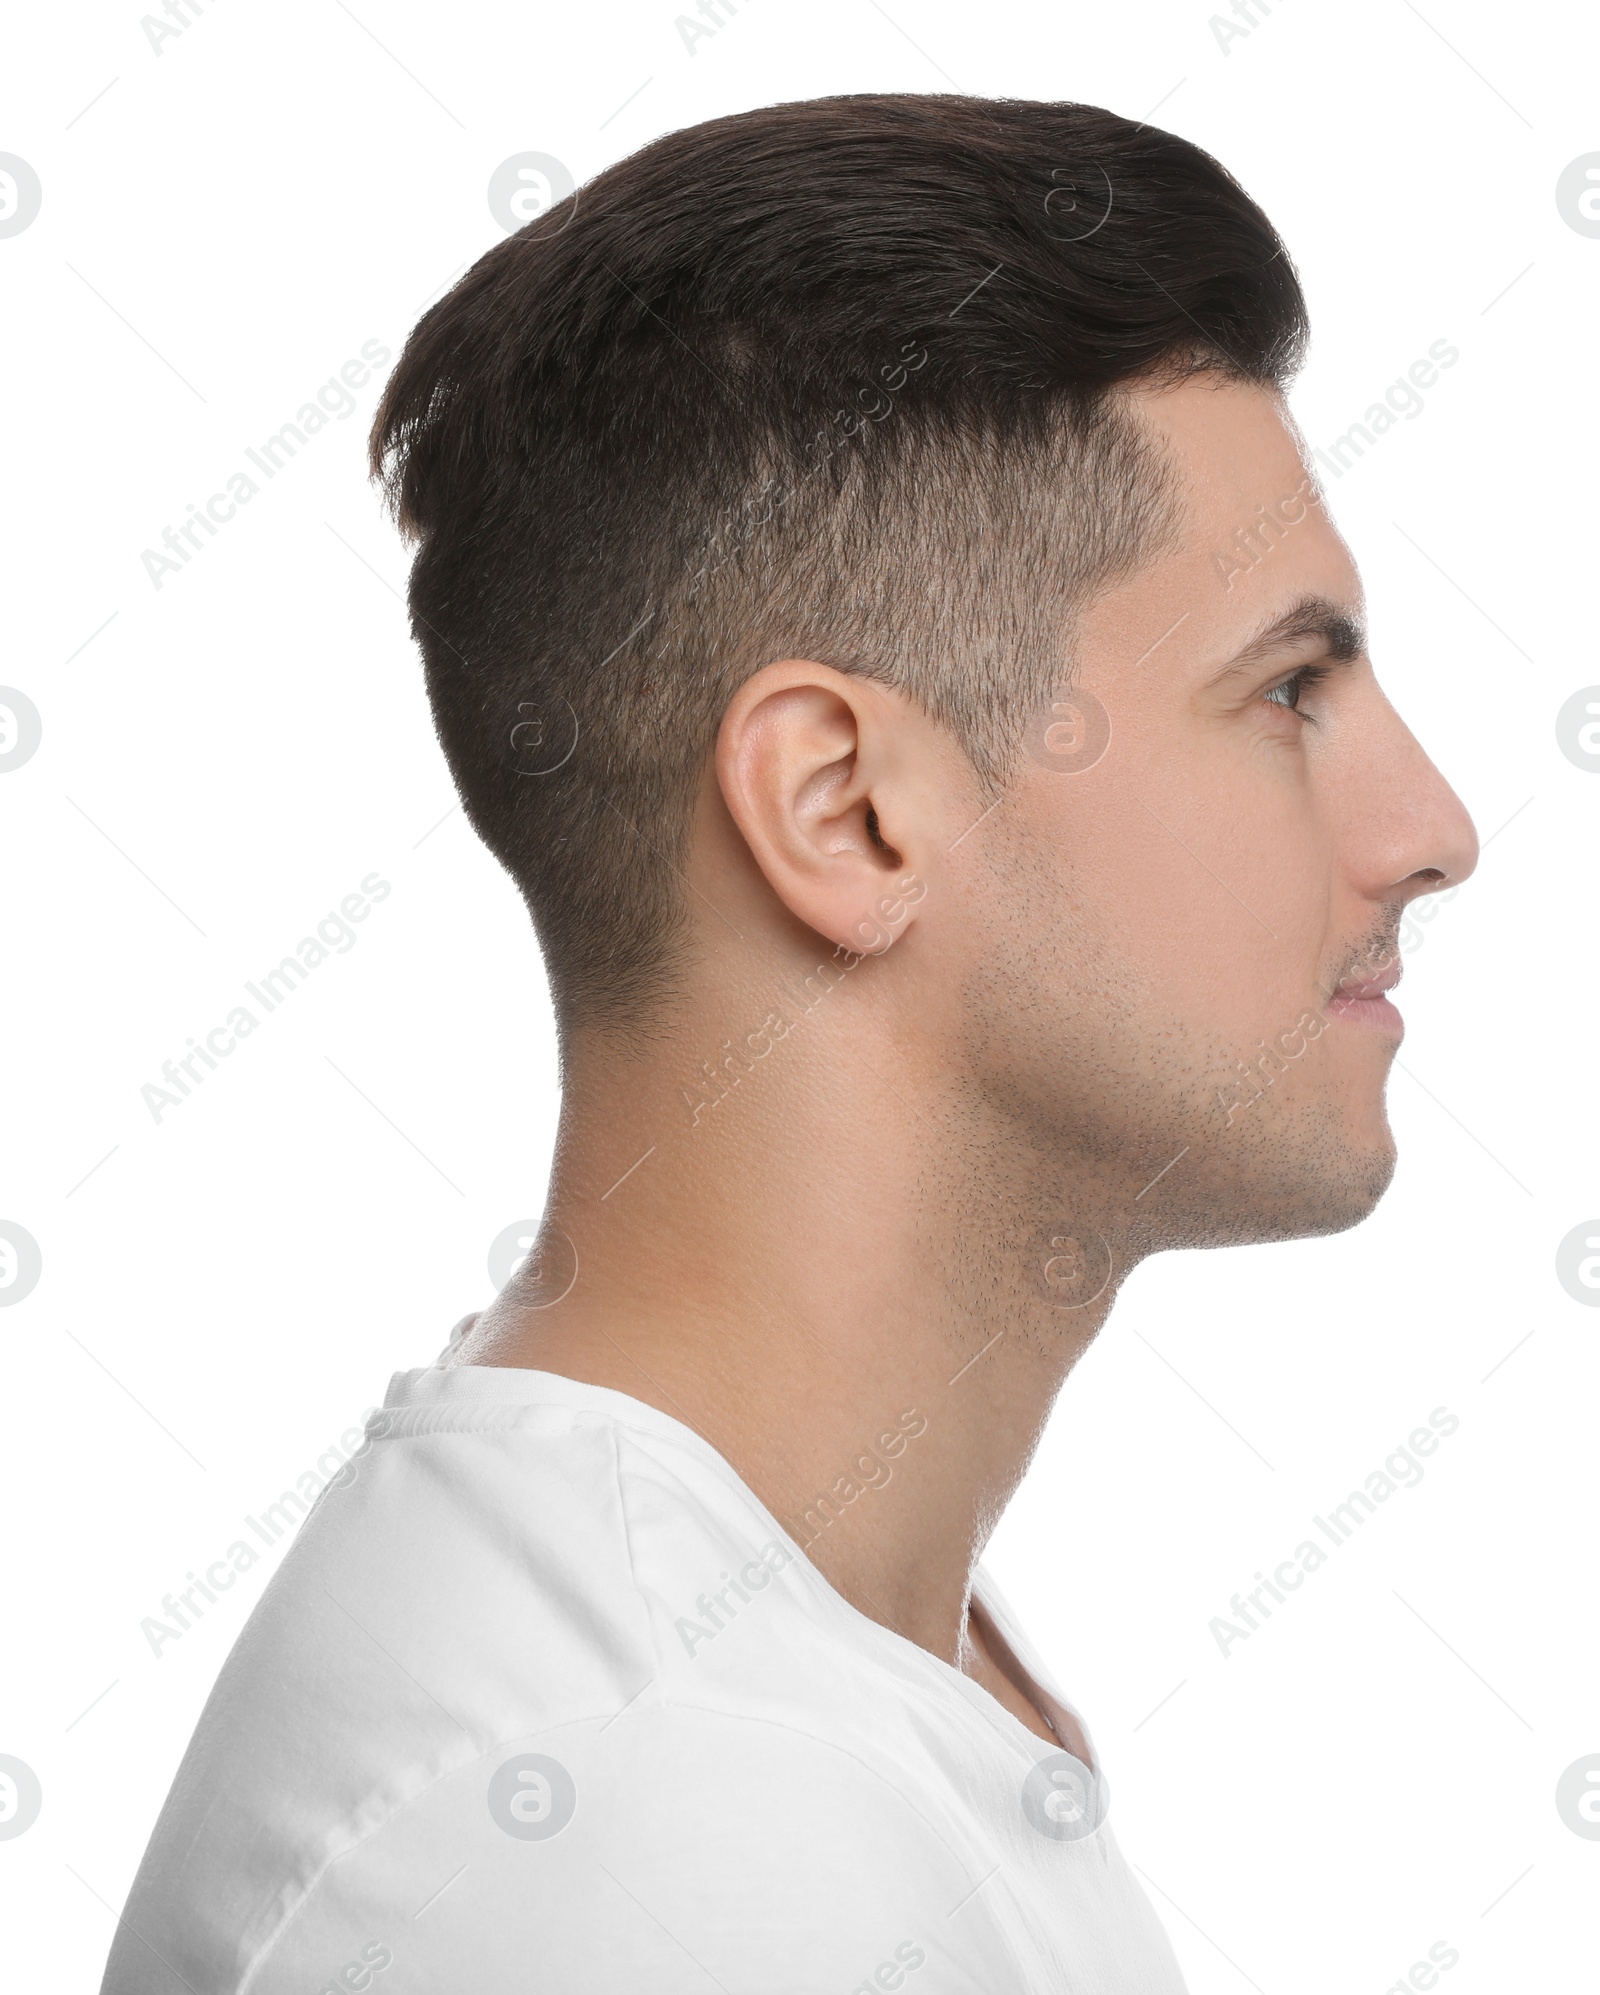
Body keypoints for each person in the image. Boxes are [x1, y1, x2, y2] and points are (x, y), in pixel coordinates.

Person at [102, 93, 1476, 1993]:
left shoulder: (778, 1659)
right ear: (845, 814)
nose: (1432, 828)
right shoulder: (660, 1829)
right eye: (1289, 687)